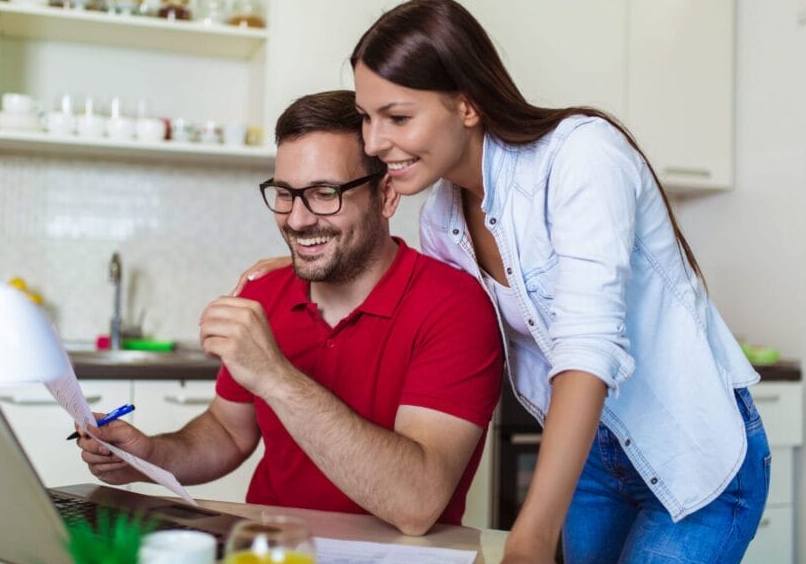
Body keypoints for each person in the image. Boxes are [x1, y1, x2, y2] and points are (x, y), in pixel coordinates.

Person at [237, 0, 770, 564]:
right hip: (591, 458)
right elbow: (420, 293)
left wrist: (529, 540)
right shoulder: (442, 216)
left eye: (397, 117)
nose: (376, 142)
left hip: (692, 449)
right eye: (366, 118)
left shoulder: (582, 156)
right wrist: (304, 255)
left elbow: (585, 350)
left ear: (466, 104)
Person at [76, 89, 503, 535]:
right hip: (267, 556)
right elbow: (228, 430)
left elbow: (417, 503)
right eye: (285, 193)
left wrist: (275, 376)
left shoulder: (454, 306)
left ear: (387, 195)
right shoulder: (264, 294)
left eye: (324, 193)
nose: (297, 220)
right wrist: (147, 456)